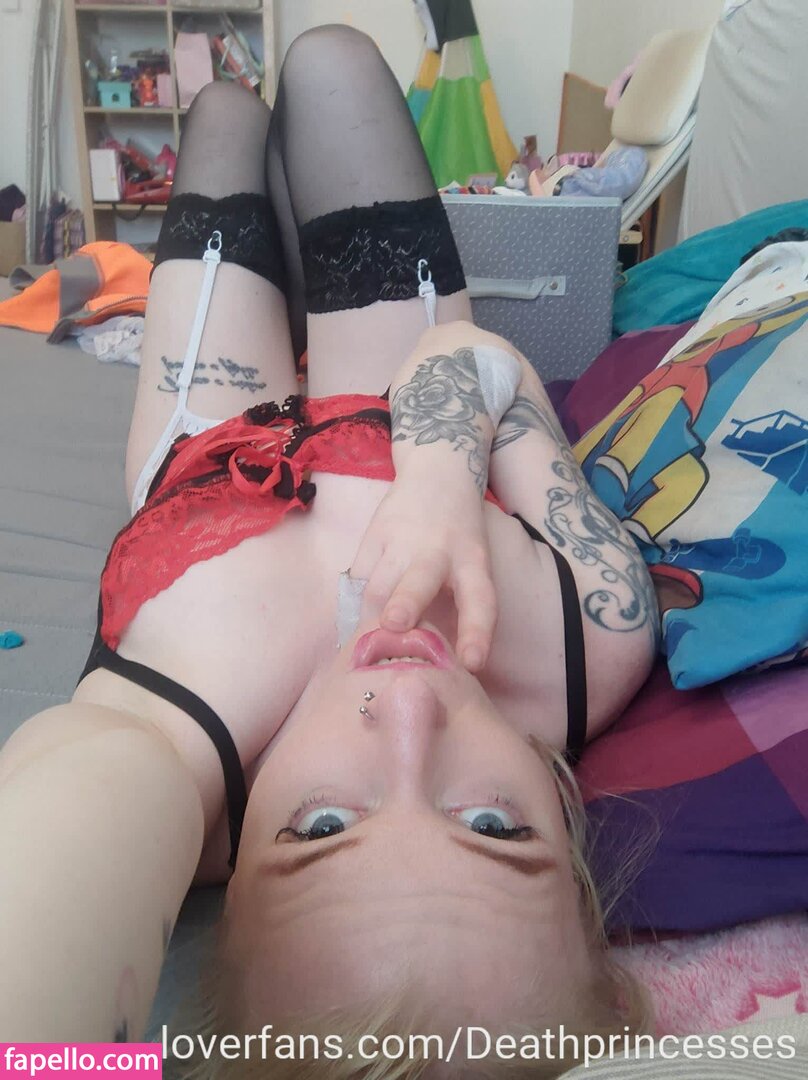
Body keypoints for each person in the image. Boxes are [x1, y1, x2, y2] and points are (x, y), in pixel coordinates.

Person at [0, 26, 658, 1072]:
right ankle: (309, 293)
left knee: (223, 114)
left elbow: (34, 974)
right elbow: (476, 355)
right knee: (329, 64)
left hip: (212, 449)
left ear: (228, 884)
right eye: (495, 827)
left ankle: (279, 260)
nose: (407, 707)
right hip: (390, 397)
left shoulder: (166, 746)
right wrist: (440, 480)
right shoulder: (593, 635)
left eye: (318, 830)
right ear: (575, 870)